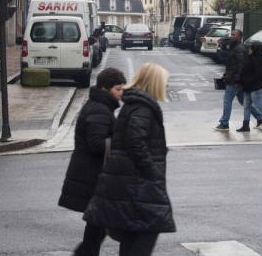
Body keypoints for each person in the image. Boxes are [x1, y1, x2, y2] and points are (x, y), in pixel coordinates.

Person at [84, 63, 175, 256]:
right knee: (143, 238)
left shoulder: (134, 105)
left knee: (132, 241)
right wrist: (152, 172)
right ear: (155, 83)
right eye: (164, 82)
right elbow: (136, 142)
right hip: (139, 187)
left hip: (131, 186)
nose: (166, 86)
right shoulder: (143, 108)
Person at [59, 67, 127, 256]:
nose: (121, 94)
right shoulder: (100, 110)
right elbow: (96, 144)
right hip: (92, 178)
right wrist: (123, 142)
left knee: (97, 229)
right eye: (118, 89)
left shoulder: (100, 106)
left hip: (93, 176)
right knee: (97, 229)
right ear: (105, 89)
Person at [238, 41, 262, 132]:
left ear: (255, 49)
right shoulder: (250, 58)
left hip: (255, 87)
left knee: (259, 106)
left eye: (251, 48)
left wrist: (245, 80)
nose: (249, 49)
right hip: (248, 86)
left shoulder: (257, 60)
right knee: (246, 105)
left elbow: (255, 74)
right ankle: (245, 125)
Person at [213, 29, 246, 131]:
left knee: (227, 101)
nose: (232, 36)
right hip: (233, 78)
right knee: (244, 102)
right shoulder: (234, 47)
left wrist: (236, 79)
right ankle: (260, 117)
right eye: (231, 34)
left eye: (234, 35)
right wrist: (226, 74)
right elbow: (231, 64)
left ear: (239, 37)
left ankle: (224, 123)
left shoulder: (239, 48)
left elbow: (241, 65)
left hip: (234, 80)